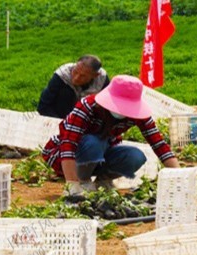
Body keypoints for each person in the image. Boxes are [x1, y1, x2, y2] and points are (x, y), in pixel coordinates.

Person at [42, 75, 179, 198]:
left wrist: (179, 177)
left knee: (135, 156)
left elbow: (159, 145)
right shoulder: (88, 107)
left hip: (100, 154)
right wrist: (72, 183)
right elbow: (68, 146)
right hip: (64, 156)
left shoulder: (137, 114)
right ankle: (82, 181)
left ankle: (102, 182)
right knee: (93, 142)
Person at [38, 55, 110, 119]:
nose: (76, 78)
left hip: (86, 117)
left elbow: (107, 108)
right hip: (60, 115)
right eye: (75, 71)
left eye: (83, 76)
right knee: (65, 93)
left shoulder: (102, 79)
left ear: (95, 75)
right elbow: (44, 105)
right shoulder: (62, 74)